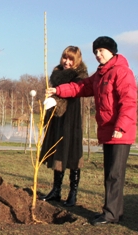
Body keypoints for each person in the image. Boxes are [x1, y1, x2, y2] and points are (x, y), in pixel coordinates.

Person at [46, 36, 137, 225]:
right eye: (95, 52)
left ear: (112, 51)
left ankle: (110, 214)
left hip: (120, 131)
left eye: (101, 51)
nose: (98, 55)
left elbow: (128, 102)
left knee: (114, 174)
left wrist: (120, 127)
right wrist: (58, 91)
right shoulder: (101, 74)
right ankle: (114, 212)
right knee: (111, 174)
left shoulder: (121, 72)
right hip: (108, 131)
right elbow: (81, 87)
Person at [39, 46, 88, 207]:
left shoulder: (80, 75)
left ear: (77, 60)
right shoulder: (56, 73)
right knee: (57, 149)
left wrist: (57, 93)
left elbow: (73, 90)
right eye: (65, 58)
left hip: (71, 118)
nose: (67, 62)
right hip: (57, 118)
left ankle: (73, 193)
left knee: (73, 153)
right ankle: (56, 190)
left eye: (70, 59)